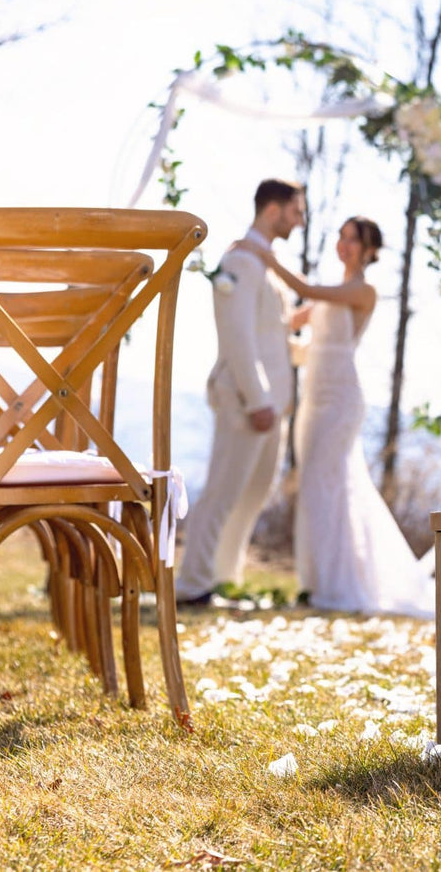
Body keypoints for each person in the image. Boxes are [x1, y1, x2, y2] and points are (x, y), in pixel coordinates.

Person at [236, 216, 441, 627]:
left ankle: (340, 586)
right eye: (341, 237)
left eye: (353, 240)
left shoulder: (362, 290)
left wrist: (265, 255)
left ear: (369, 251)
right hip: (313, 398)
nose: (344, 245)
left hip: (341, 398)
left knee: (332, 485)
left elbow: (305, 289)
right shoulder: (329, 293)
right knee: (315, 487)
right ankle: (319, 579)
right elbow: (296, 327)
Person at [175, 178, 304, 605]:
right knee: (223, 490)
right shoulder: (240, 262)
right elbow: (237, 336)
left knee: (252, 496)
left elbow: (269, 333)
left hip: (273, 405)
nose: (299, 220)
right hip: (246, 401)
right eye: (295, 211)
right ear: (273, 210)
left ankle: (223, 579)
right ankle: (192, 585)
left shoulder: (265, 265)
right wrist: (258, 399)